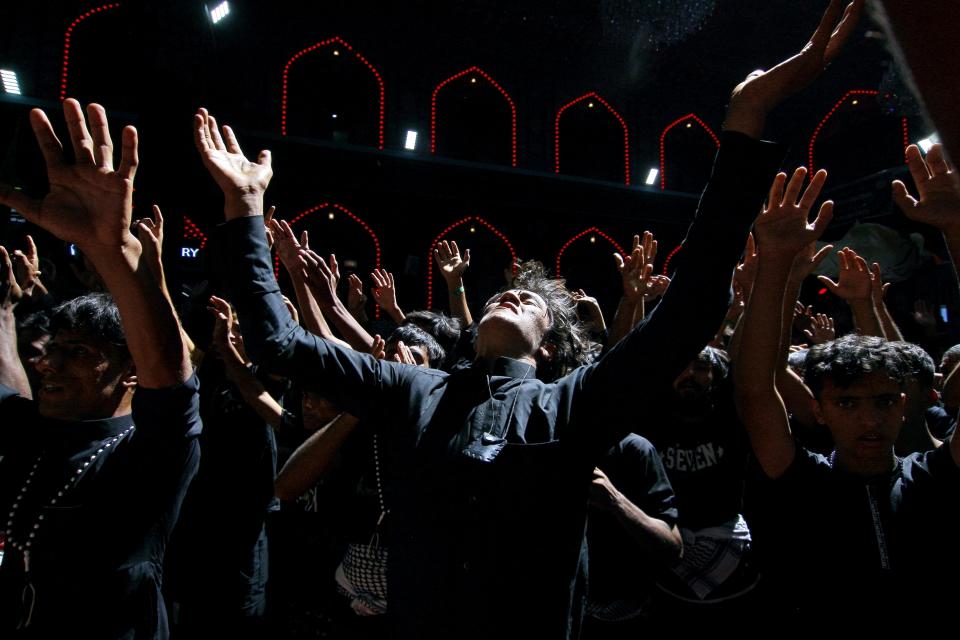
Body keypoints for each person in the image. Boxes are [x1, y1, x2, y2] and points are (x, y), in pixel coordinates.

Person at [196, 4, 861, 635]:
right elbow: (278, 342)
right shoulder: (411, 392)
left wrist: (745, 121)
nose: (509, 297)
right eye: (502, 295)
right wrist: (244, 209)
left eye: (533, 302)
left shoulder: (576, 405)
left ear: (548, 347)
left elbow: (688, 313)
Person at [734, 143, 960, 620]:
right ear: (819, 410)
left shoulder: (935, 476)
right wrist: (775, 263)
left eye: (881, 401)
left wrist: (957, 229)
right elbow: (757, 388)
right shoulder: (802, 479)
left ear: (904, 405)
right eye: (848, 404)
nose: (869, 420)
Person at [0, 100, 199, 638]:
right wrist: (2, 311)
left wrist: (108, 249)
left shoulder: (151, 453)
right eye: (53, 347)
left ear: (130, 373)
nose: (50, 364)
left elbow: (174, 385)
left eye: (80, 353)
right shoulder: (41, 432)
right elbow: (12, 389)